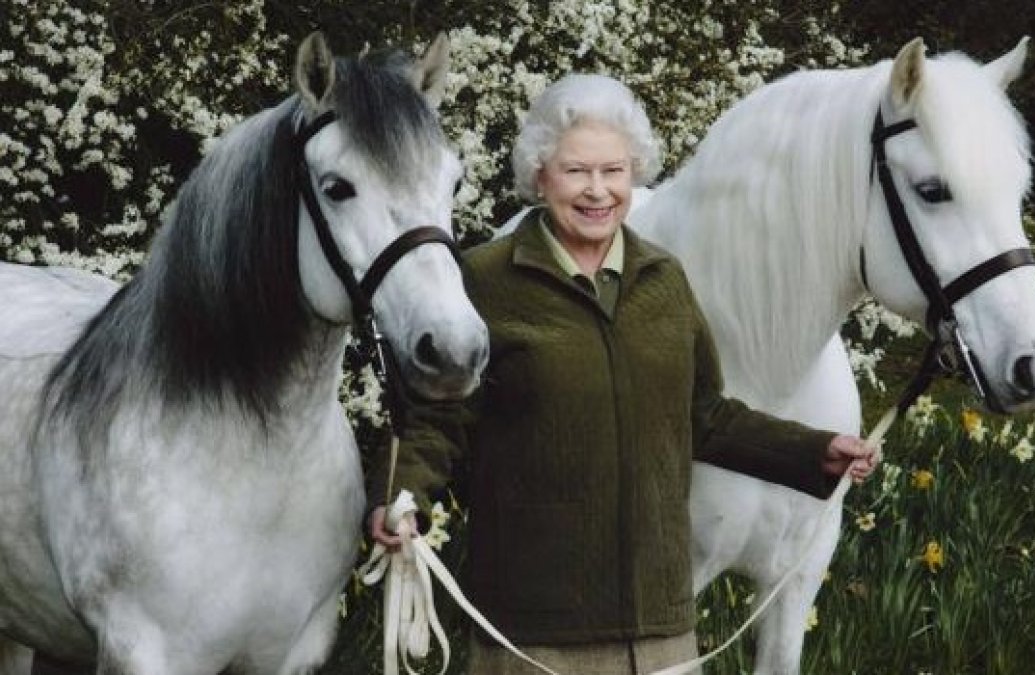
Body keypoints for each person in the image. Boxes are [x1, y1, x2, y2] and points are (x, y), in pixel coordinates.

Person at [367, 73, 878, 675]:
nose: (597, 191)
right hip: (533, 634)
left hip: (659, 633)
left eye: (613, 171)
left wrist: (817, 450)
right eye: (576, 171)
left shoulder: (665, 279)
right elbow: (439, 416)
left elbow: (706, 416)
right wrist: (401, 497)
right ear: (539, 175)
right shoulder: (485, 279)